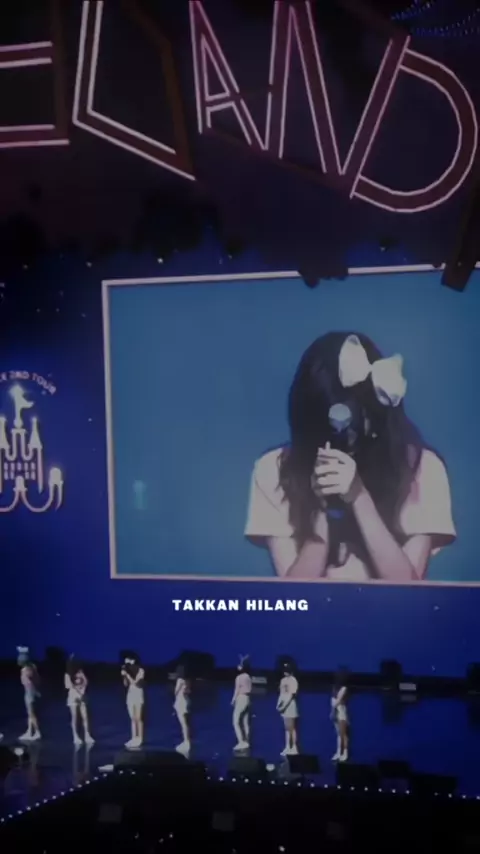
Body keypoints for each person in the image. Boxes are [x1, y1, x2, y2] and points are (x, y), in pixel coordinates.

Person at [246, 332, 456, 582]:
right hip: (314, 609)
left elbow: (407, 589)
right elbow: (294, 595)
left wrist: (359, 497)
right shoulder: (275, 469)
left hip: (388, 609)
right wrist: (324, 510)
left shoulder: (421, 468)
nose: (344, 436)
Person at [64, 655, 94, 747]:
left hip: (82, 695)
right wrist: (78, 692)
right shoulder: (67, 674)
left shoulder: (80, 672)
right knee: (74, 717)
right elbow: (68, 685)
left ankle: (87, 735)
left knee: (85, 716)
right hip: (73, 696)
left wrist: (82, 690)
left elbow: (86, 681)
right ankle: (75, 736)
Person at [17, 647, 41, 742]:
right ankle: (29, 731)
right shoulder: (32, 667)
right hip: (30, 692)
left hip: (29, 693)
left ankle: (37, 732)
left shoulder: (26, 670)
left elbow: (29, 683)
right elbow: (37, 680)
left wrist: (34, 691)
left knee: (31, 714)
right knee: (30, 714)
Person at [121, 653, 145, 749]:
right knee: (133, 718)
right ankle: (133, 737)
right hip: (130, 694)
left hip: (138, 694)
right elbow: (126, 684)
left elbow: (135, 683)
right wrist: (124, 676)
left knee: (138, 717)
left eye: (128, 660)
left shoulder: (141, 670)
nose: (127, 663)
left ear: (133, 660)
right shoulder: (127, 671)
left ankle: (140, 738)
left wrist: (127, 675)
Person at [276, 663, 299, 756]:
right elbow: (281, 694)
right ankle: (287, 747)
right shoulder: (283, 680)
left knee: (291, 728)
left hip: (290, 705)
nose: (285, 672)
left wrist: (285, 706)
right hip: (283, 706)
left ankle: (294, 747)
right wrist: (278, 704)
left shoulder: (293, 680)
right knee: (286, 728)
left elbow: (292, 695)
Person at [231, 655, 252, 750]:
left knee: (235, 721)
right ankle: (247, 741)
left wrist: (233, 700)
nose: (238, 666)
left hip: (241, 698)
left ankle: (241, 742)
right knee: (245, 721)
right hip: (248, 699)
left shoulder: (239, 677)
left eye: (239, 665)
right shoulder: (248, 677)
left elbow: (237, 690)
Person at [331, 671, 349, 762]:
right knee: (338, 734)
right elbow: (333, 700)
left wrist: (334, 709)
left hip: (341, 712)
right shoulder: (334, 687)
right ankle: (338, 752)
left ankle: (345, 753)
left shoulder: (344, 688)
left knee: (343, 734)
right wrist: (332, 711)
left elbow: (338, 700)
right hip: (335, 712)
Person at [173, 665, 191, 755]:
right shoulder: (187, 681)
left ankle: (186, 741)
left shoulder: (180, 680)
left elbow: (176, 691)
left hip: (181, 701)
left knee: (183, 723)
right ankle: (187, 740)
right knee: (186, 722)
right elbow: (189, 691)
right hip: (186, 700)